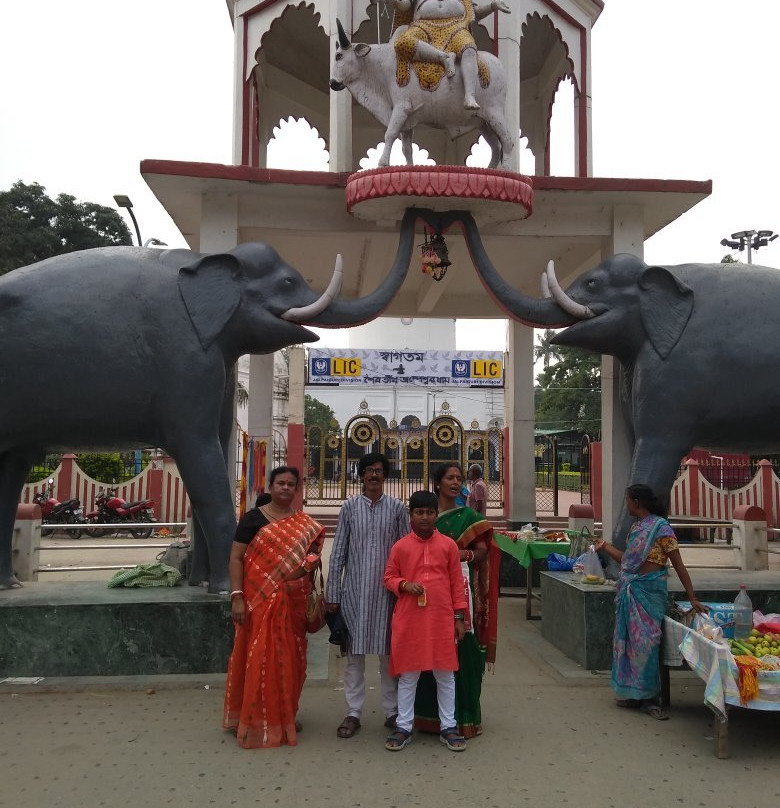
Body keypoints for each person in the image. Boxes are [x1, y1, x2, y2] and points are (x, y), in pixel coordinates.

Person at [223, 466, 325, 748]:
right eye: (281, 483)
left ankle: (285, 714)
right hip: (257, 601)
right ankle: (250, 717)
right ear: (270, 486)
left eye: (291, 484)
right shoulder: (253, 519)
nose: (286, 488)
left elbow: (313, 553)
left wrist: (308, 564)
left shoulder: (304, 524)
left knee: (289, 658)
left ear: (297, 489)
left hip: (292, 603)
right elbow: (235, 559)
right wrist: (237, 596)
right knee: (257, 656)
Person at [594, 484, 708, 720]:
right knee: (628, 644)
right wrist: (605, 547)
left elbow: (678, 564)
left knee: (647, 643)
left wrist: (692, 597)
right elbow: (627, 560)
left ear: (636, 502)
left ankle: (650, 698)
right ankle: (634, 695)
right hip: (631, 591)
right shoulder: (636, 528)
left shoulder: (661, 528)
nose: (626, 505)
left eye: (627, 500)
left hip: (650, 593)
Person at [325, 452, 410, 738]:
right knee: (354, 657)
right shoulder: (349, 507)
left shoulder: (397, 509)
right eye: (369, 470)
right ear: (361, 475)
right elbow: (338, 553)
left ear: (385, 476)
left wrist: (405, 590)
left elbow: (406, 552)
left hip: (388, 595)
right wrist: (332, 595)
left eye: (379, 470)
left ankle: (392, 712)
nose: (374, 475)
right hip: (355, 596)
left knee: (389, 655)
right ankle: (353, 713)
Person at [414, 461, 498, 738]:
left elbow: (483, 552)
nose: (455, 483)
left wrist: (461, 555)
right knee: (426, 651)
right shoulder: (425, 514)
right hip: (426, 593)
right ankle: (426, 717)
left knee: (462, 651)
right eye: (450, 478)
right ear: (437, 483)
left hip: (459, 589)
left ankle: (463, 717)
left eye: (459, 478)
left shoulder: (468, 517)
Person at [383, 490, 469, 751]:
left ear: (436, 515)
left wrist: (459, 617)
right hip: (410, 619)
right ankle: (404, 726)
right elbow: (388, 577)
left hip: (442, 618)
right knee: (409, 675)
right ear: (410, 516)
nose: (424, 517)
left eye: (429, 512)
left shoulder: (448, 546)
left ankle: (448, 726)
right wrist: (404, 584)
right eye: (418, 512)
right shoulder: (400, 546)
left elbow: (457, 583)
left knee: (445, 675)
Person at [392, 0, 511, 109]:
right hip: (422, 27)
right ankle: (444, 57)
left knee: (469, 49)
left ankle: (469, 95)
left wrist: (492, 6)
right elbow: (404, 6)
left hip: (455, 28)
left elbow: (474, 13)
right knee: (402, 43)